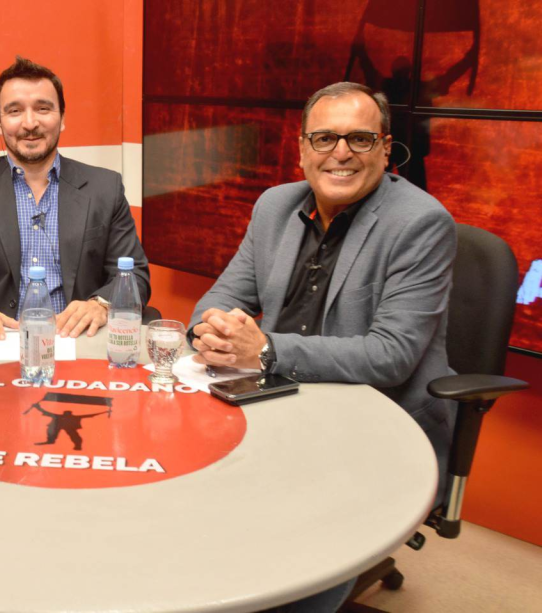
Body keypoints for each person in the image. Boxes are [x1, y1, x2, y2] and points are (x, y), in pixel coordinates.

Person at [190, 82, 457, 611]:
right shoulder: (274, 205)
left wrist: (265, 351)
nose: (340, 153)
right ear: (301, 148)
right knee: (196, 497)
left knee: (307, 563)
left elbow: (391, 356)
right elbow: (218, 299)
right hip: (278, 402)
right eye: (324, 138)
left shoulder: (421, 223)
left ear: (385, 148)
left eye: (359, 139)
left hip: (375, 421)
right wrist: (212, 329)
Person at [0, 56, 150, 341]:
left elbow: (134, 276)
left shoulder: (105, 187)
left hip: (79, 341)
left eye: (43, 108)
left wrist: (101, 304)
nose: (30, 123)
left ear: (62, 118)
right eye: (14, 111)